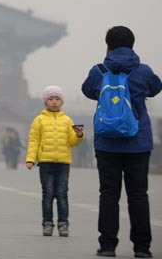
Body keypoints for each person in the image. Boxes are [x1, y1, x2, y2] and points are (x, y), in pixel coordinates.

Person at [81, 26, 161, 258]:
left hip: (107, 143)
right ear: (132, 44)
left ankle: (107, 246)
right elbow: (156, 88)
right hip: (138, 142)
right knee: (138, 194)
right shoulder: (143, 71)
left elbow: (87, 91)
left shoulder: (98, 71)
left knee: (108, 194)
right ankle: (142, 248)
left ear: (108, 44)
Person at [25, 86, 85, 237]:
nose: (54, 102)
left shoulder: (67, 120)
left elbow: (72, 142)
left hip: (63, 162)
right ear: (45, 102)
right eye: (51, 99)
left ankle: (63, 223)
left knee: (62, 193)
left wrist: (79, 135)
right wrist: (31, 159)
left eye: (57, 99)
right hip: (45, 162)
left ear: (61, 102)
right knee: (48, 194)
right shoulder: (39, 120)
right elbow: (34, 141)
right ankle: (47, 223)